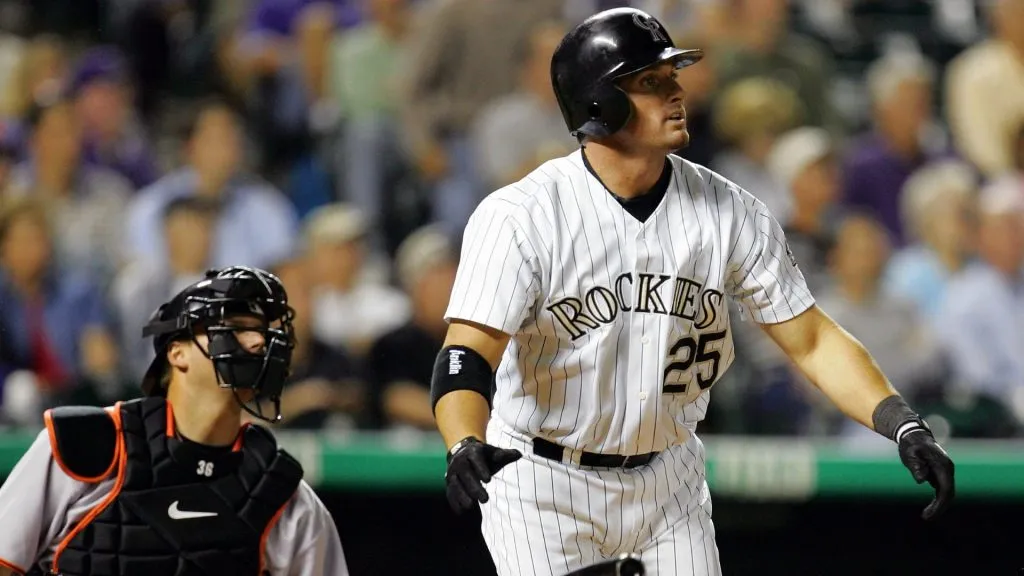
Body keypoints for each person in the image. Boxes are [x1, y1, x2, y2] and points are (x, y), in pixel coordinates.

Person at [430, 9, 955, 576]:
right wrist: (463, 440)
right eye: (652, 82)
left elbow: (810, 340)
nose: (677, 92)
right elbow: (466, 354)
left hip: (668, 483)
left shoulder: (732, 211)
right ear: (598, 105)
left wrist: (902, 422)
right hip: (544, 480)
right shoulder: (522, 215)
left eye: (673, 76)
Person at [0, 266, 348, 575]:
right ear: (177, 352)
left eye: (262, 331)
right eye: (238, 328)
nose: (258, 342)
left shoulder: (282, 496)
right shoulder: (87, 445)